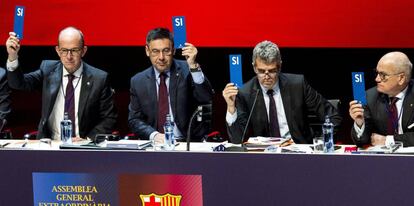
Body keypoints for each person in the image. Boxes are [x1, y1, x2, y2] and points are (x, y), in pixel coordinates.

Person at [5, 27, 117, 140]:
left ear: (83, 51)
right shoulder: (48, 70)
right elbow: (19, 84)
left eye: (74, 50)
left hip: (84, 147)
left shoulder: (99, 78)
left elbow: (109, 117)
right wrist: (12, 56)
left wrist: (88, 139)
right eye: (64, 50)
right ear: (58, 51)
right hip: (52, 145)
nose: (69, 57)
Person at [223, 40, 341, 144]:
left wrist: (320, 142)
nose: (266, 76)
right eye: (261, 71)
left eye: (272, 71)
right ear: (254, 67)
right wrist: (231, 107)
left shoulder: (297, 85)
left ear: (279, 67)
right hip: (264, 157)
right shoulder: (245, 93)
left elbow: (333, 116)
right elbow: (237, 140)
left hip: (298, 153)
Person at [128, 28, 214, 143]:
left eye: (166, 50)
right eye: (155, 51)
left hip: (188, 142)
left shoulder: (188, 70)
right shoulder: (138, 81)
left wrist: (193, 66)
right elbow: (134, 119)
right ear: (147, 51)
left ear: (173, 50)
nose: (161, 57)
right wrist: (154, 135)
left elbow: (206, 97)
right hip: (155, 144)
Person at [349, 51, 414, 147]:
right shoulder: (369, 96)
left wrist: (388, 140)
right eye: (377, 73)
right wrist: (360, 123)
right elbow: (362, 141)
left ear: (401, 78)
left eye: (383, 75)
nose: (377, 79)